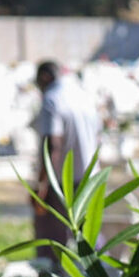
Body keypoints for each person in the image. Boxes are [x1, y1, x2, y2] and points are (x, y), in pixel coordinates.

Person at [31, 61, 103, 259]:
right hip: (90, 174)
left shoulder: (52, 99)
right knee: (89, 233)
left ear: (45, 77)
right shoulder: (83, 97)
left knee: (52, 236)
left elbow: (52, 143)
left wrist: (43, 183)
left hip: (63, 178)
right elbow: (98, 138)